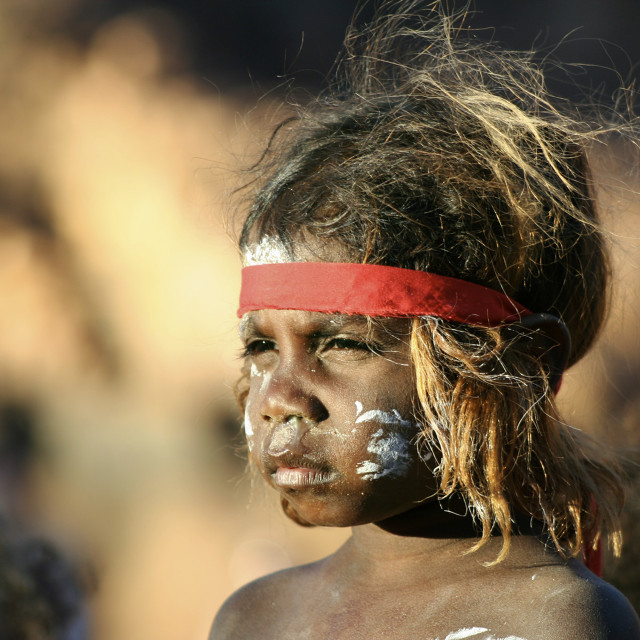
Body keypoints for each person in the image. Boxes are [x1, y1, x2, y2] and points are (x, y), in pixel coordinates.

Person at [211, 3, 640, 638]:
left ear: (518, 364)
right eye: (261, 347)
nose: (278, 398)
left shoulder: (554, 619)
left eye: (341, 342)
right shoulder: (254, 619)